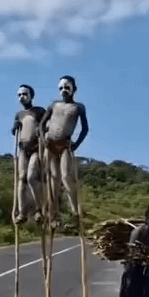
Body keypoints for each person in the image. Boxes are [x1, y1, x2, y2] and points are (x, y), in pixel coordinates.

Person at [39, 76, 89, 229]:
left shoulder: (78, 107)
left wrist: (76, 144)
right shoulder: (54, 105)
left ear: (74, 89)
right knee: (53, 181)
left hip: (65, 145)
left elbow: (85, 128)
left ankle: (75, 214)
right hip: (50, 144)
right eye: (61, 88)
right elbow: (41, 125)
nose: (64, 91)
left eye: (67, 87)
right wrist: (43, 139)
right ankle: (54, 216)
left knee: (66, 177)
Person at [12, 85, 45, 224]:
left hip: (36, 148)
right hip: (23, 149)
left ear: (31, 95)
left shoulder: (39, 111)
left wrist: (41, 131)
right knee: (21, 178)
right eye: (19, 95)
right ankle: (22, 212)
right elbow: (14, 131)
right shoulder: (18, 115)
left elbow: (46, 126)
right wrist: (15, 127)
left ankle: (39, 210)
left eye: (24, 94)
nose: (22, 97)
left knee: (31, 177)